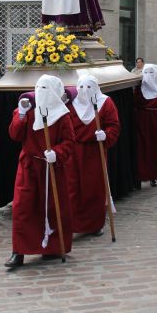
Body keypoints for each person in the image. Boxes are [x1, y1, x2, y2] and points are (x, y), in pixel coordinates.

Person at [5, 74, 74, 268]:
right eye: (38, 88)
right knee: (22, 208)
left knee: (53, 208)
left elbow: (69, 142)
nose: (41, 93)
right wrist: (21, 114)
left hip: (51, 168)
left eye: (46, 89)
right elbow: (14, 134)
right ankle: (18, 251)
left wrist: (57, 153)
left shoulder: (63, 115)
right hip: (29, 166)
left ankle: (52, 247)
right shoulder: (26, 110)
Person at [66, 75, 120, 236]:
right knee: (72, 187)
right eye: (81, 87)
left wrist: (106, 134)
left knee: (93, 187)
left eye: (89, 87)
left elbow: (113, 125)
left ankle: (94, 224)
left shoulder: (105, 102)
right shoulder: (70, 104)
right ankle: (73, 223)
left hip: (94, 152)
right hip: (74, 152)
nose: (84, 91)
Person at [134, 64, 157, 187]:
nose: (148, 76)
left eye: (151, 73)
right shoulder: (139, 88)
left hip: (156, 120)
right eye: (146, 73)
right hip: (142, 119)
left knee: (154, 145)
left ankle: (153, 174)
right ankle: (141, 174)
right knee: (141, 146)